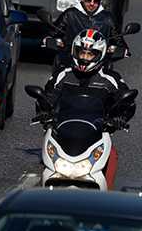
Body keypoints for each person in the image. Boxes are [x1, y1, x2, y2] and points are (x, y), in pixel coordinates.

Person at [33, 30, 135, 185]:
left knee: (112, 154)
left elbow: (128, 102)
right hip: (62, 134)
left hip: (96, 136)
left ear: (99, 55)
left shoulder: (110, 79)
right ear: (75, 51)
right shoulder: (63, 74)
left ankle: (106, 197)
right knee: (48, 151)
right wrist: (44, 112)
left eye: (90, 54)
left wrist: (119, 118)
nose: (85, 58)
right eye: (82, 53)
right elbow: (46, 97)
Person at [44, 0, 128, 70]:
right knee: (54, 81)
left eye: (96, 1)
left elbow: (119, 42)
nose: (92, 3)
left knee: (115, 81)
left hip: (98, 65)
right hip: (70, 62)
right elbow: (54, 31)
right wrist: (48, 38)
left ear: (101, 1)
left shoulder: (108, 18)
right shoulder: (70, 13)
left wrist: (123, 49)